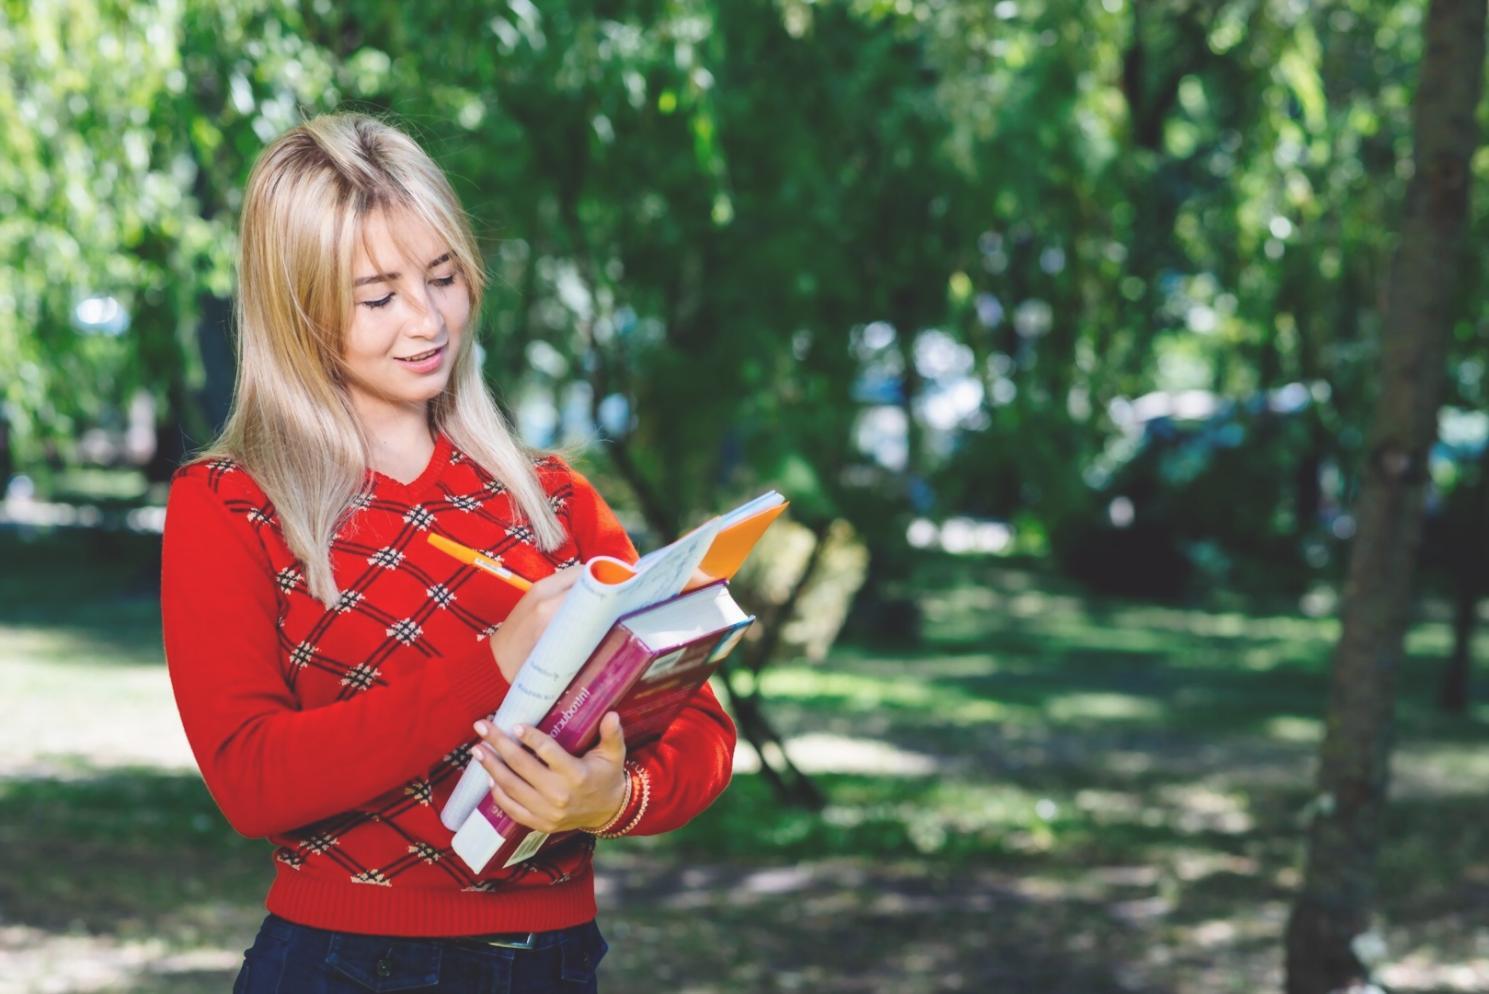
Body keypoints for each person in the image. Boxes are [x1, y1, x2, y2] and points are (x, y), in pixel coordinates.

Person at [160, 112, 738, 993]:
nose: (428, 319)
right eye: (378, 295)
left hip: (553, 963)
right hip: (338, 966)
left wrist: (610, 801)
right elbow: (252, 780)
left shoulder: (555, 503)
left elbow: (700, 721)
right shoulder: (229, 504)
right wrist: (493, 666)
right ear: (299, 311)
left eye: (443, 276)